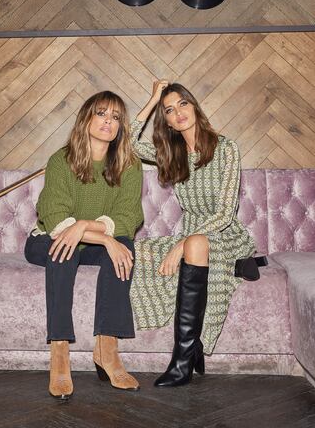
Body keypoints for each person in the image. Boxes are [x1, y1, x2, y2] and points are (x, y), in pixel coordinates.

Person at [130, 80, 256, 387]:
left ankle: (181, 361)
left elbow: (225, 214)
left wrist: (182, 245)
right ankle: (192, 349)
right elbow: (130, 142)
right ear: (168, 122)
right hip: (192, 234)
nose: (178, 113)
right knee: (140, 252)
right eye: (169, 111)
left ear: (194, 106)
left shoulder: (225, 148)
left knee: (195, 243)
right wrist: (152, 99)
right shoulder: (171, 153)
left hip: (225, 233)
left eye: (182, 104)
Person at [25, 91, 143, 400]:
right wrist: (102, 237)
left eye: (115, 117)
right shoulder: (60, 161)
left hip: (85, 239)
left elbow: (127, 216)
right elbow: (55, 219)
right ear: (86, 119)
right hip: (47, 239)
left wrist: (86, 227)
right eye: (101, 113)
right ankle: (60, 354)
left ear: (121, 126)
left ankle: (107, 351)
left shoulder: (129, 165)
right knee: (64, 251)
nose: (108, 121)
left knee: (124, 246)